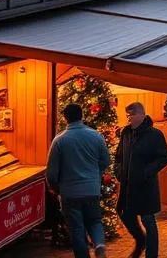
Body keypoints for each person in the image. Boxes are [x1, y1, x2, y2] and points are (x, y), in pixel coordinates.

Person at [46, 103, 111, 258]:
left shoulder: (59, 141)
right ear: (82, 115)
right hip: (91, 190)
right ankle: (100, 245)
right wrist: (96, 173)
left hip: (70, 192)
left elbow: (51, 171)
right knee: (95, 221)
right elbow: (106, 160)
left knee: (76, 229)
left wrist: (55, 188)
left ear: (65, 118)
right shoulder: (96, 136)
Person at [114, 102, 167, 258]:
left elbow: (163, 157)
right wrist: (119, 171)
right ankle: (141, 240)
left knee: (148, 220)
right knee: (124, 213)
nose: (128, 119)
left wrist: (147, 172)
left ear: (141, 115)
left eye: (130, 115)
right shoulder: (126, 133)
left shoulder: (154, 134)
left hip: (145, 186)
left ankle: (151, 255)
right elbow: (118, 156)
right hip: (127, 186)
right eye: (127, 115)